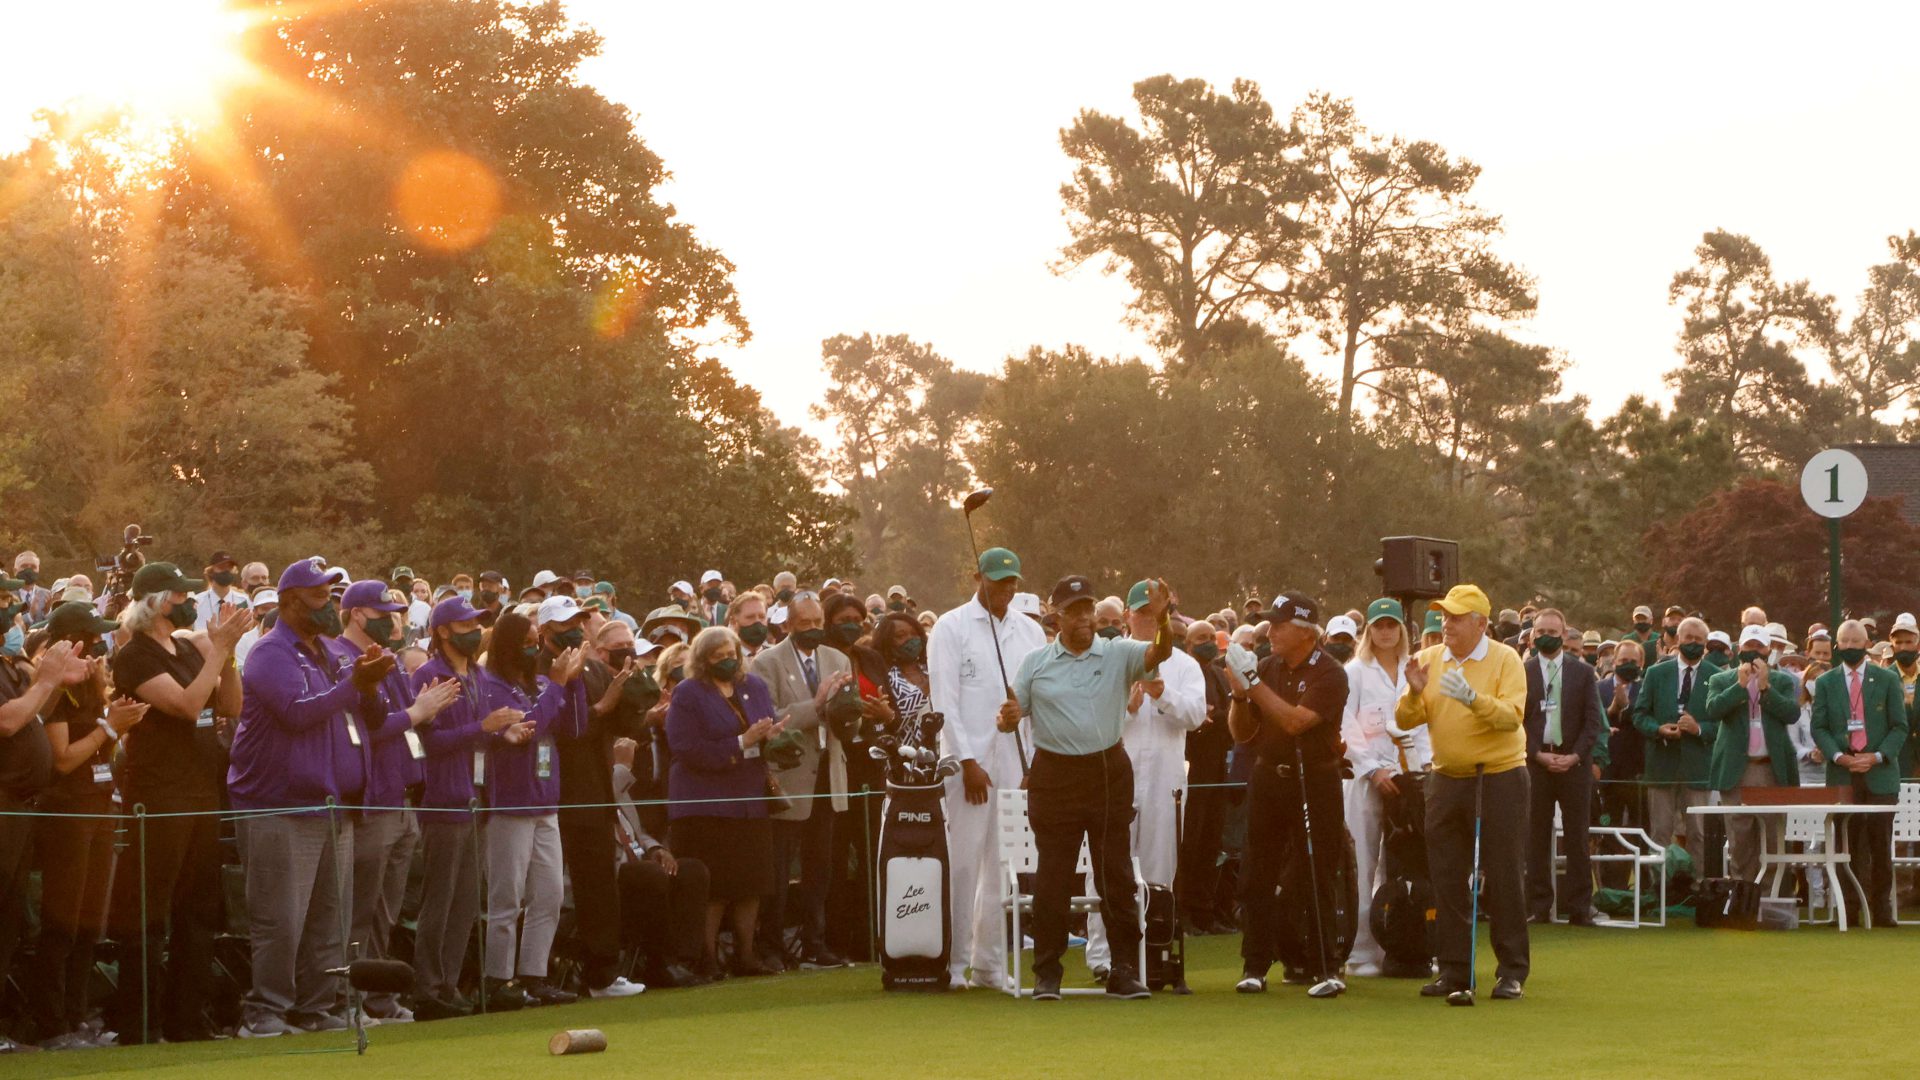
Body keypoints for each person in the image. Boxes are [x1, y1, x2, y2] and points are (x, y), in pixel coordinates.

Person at [229, 556, 388, 1038]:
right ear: (289, 601)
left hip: (332, 801)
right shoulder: (270, 651)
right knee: (281, 919)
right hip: (279, 802)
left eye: (332, 595)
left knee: (328, 920)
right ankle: (266, 1012)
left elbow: (371, 717)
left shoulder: (331, 651)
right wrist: (352, 684)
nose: (329, 604)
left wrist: (371, 684)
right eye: (319, 596)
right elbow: (297, 714)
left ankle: (316, 1006)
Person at [1003, 574, 1173, 1001]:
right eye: (1074, 610)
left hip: (1106, 771)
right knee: (1053, 877)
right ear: (1056, 616)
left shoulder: (1117, 652)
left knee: (1114, 873)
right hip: (1055, 776)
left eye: (1088, 609)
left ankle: (1124, 969)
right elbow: (1012, 713)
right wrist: (1006, 718)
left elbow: (1159, 651)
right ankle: (1047, 972)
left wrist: (1164, 616)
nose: (1084, 617)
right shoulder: (1036, 663)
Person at [105, 561, 249, 1043]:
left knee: (199, 912)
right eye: (179, 594)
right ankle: (140, 1022)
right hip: (160, 796)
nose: (188, 600)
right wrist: (218, 652)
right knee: (150, 913)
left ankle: (187, 1020)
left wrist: (224, 658)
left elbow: (230, 706)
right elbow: (186, 706)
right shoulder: (135, 655)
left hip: (202, 793)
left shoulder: (187, 648)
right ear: (156, 601)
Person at [1395, 584, 1529, 1001]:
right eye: (1444, 616)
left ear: (1480, 624)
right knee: (1447, 876)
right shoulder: (1431, 659)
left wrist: (1473, 699)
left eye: (1454, 617)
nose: (1445, 624)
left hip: (1499, 776)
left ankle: (1511, 971)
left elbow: (1511, 718)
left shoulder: (1505, 659)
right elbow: (1405, 718)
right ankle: (1455, 970)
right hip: (1446, 778)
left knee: (1504, 874)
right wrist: (1416, 692)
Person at [332, 580, 458, 1024]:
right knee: (359, 910)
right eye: (383, 612)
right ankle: (346, 1001)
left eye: (396, 612)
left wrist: (422, 712)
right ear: (356, 614)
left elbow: (406, 724)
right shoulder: (342, 658)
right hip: (373, 798)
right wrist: (417, 712)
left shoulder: (387, 662)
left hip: (403, 796)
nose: (393, 620)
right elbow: (367, 728)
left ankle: (377, 997)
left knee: (385, 910)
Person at [926, 546, 1047, 991]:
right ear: (978, 578)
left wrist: (1033, 762)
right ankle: (955, 964)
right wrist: (967, 761)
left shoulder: (1030, 633)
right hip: (968, 767)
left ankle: (990, 964)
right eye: (999, 582)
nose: (1007, 590)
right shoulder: (950, 626)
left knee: (1004, 865)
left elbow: (1035, 702)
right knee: (963, 865)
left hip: (1016, 762)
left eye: (1013, 582)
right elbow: (945, 701)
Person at [409, 595, 530, 1020]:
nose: (474, 630)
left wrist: (504, 735)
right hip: (443, 799)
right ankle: (428, 987)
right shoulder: (429, 675)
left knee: (464, 902)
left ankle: (450, 982)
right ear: (442, 631)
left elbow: (478, 736)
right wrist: (484, 727)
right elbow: (429, 742)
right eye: (464, 624)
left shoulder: (477, 674)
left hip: (477, 798)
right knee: (439, 899)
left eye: (477, 623)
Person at [31, 604, 147, 1048]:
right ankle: (52, 1023)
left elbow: (102, 752)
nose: (99, 648)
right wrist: (109, 728)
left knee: (89, 921)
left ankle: (78, 1016)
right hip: (67, 812)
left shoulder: (94, 684)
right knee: (62, 919)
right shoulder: (54, 689)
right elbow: (62, 760)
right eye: (91, 639)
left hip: (101, 809)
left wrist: (119, 724)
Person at [1222, 591, 1349, 995]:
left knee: (1317, 873)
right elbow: (1242, 733)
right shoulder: (1266, 667)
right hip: (1269, 777)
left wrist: (1254, 684)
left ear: (1306, 633)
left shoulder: (1329, 672)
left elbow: (1296, 722)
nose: (1270, 631)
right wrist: (1241, 694)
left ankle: (1325, 966)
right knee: (1257, 871)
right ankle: (1255, 964)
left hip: (1316, 779)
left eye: (1279, 625)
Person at [1087, 579, 1204, 981]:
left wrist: (1162, 694)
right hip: (1115, 777)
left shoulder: (1185, 665)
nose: (1146, 621)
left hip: (1165, 780)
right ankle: (1103, 958)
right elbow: (1089, 724)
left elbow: (1196, 715)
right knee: (1108, 866)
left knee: (1158, 866)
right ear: (1126, 617)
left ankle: (1151, 953)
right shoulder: (1105, 658)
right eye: (1140, 614)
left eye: (1155, 615)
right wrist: (1128, 708)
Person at [477, 608, 588, 1009]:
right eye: (526, 644)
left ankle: (534, 974)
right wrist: (557, 685)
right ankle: (498, 979)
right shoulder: (489, 684)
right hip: (510, 802)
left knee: (549, 894)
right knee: (507, 897)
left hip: (545, 802)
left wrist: (572, 685)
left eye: (535, 643)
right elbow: (528, 728)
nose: (533, 650)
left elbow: (575, 728)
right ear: (508, 646)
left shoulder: (539, 682)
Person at [668, 625, 783, 978]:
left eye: (731, 655)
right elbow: (684, 748)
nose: (727, 662)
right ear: (703, 661)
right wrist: (741, 742)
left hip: (750, 799)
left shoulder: (754, 686)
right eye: (718, 658)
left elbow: (766, 728)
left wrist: (775, 737)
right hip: (705, 803)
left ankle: (746, 955)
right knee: (715, 886)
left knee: (752, 881)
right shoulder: (689, 693)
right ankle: (707, 958)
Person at [556, 604, 650, 999]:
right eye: (574, 623)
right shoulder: (554, 669)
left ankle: (604, 973)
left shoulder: (596, 670)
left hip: (596, 792)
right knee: (563, 890)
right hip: (566, 793)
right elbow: (568, 729)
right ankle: (557, 976)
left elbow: (623, 725)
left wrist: (632, 691)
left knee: (600, 885)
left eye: (583, 622)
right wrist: (605, 704)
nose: (580, 628)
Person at [1, 623, 85, 1051]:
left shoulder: (8, 667)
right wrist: (47, 679)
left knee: (9, 923)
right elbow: (9, 721)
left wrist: (52, 686)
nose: (8, 609)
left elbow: (33, 713)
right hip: (3, 805)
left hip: (20, 807)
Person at [1340, 598, 1427, 976]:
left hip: (1409, 777)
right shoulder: (1355, 672)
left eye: (1392, 625)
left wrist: (1420, 769)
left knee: (1408, 865)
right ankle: (1360, 952)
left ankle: (1407, 946)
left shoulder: (1415, 669)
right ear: (1369, 630)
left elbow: (1424, 721)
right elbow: (1346, 726)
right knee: (1362, 863)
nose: (1386, 632)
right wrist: (1372, 769)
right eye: (1379, 625)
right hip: (1365, 778)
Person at [1810, 620, 1906, 927]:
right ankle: (1847, 910)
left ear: (1867, 644)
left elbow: (1899, 726)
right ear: (1837, 646)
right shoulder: (1826, 683)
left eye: (1857, 641)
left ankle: (1881, 910)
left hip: (1880, 773)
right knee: (1844, 845)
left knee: (1880, 843)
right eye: (1846, 642)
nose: (1851, 647)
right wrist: (1840, 757)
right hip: (1843, 774)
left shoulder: (1887, 679)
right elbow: (1819, 727)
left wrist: (1876, 756)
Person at [1522, 608, 1603, 925]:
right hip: (1536, 763)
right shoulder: (1522, 671)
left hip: (1574, 764)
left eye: (1553, 632)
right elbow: (1518, 720)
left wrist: (1575, 756)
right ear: (1532, 634)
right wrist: (1536, 755)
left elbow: (1593, 722)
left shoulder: (1582, 673)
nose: (1547, 636)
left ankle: (1580, 906)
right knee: (1535, 836)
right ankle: (1539, 905)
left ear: (1564, 633)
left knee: (1577, 837)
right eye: (1541, 631)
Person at [611, 731, 711, 988]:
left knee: (690, 870)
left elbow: (636, 830)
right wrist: (621, 767)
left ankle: (683, 959)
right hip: (609, 872)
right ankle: (660, 963)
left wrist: (656, 849)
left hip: (638, 863)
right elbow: (605, 806)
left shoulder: (620, 787)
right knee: (649, 875)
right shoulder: (603, 782)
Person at [1703, 625, 1801, 883]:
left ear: (1768, 650)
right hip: (1738, 769)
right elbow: (1712, 710)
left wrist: (1766, 689)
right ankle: (1742, 896)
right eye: (1749, 646)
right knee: (1740, 839)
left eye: (1759, 647)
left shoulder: (1782, 681)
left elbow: (1792, 714)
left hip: (1771, 768)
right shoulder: (1721, 680)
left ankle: (1773, 897)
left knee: (1772, 838)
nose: (1753, 652)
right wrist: (1740, 686)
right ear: (1738, 650)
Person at [1633, 616, 1714, 870]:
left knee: (1698, 833)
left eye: (1698, 640)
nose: (1692, 643)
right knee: (1660, 832)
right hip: (1661, 766)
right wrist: (1658, 729)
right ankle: (1661, 892)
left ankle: (1698, 889)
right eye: (1688, 638)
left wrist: (1699, 728)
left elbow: (1724, 724)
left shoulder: (1718, 676)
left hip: (1697, 768)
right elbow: (1639, 715)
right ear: (1678, 640)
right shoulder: (1656, 673)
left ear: (1705, 644)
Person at [1179, 619, 1237, 935]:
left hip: (1217, 769)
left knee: (1212, 841)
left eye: (1209, 637)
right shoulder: (1185, 673)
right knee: (1190, 841)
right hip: (1192, 768)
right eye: (1200, 638)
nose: (1207, 643)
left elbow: (1229, 714)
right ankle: (1184, 912)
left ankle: (1205, 911)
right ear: (1188, 645)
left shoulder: (1218, 673)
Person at [1598, 640, 1648, 832]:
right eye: (1623, 660)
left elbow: (1645, 717)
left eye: (1633, 661)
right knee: (1608, 826)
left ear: (1641, 664)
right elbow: (1593, 718)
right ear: (1615, 661)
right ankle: (1608, 863)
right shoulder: (1598, 687)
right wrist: (1612, 709)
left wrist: (1625, 707)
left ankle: (1642, 864)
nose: (1628, 664)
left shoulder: (1646, 689)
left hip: (1638, 772)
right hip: (1607, 771)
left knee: (1641, 828)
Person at [192, 551, 251, 631]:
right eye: (221, 567)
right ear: (211, 571)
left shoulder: (246, 602)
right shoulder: (196, 603)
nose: (226, 571)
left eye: (229, 567)